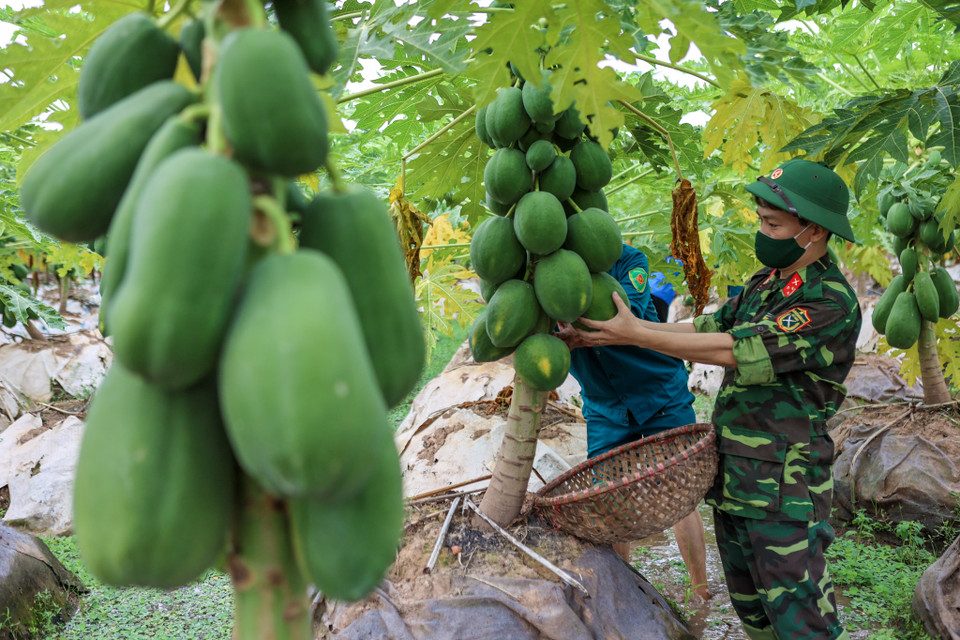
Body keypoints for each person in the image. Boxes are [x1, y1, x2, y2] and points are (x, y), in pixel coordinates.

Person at [575, 159, 860, 640]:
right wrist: (619, 334)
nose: (763, 231)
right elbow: (707, 327)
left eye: (774, 223)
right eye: (761, 219)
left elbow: (734, 349)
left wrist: (637, 334)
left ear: (813, 230)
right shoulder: (769, 280)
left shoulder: (828, 300)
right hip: (736, 478)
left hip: (783, 490)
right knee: (756, 616)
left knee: (801, 620)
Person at [554, 242, 712, 601]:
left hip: (659, 391)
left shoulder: (628, 259)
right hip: (605, 405)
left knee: (679, 492)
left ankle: (701, 590)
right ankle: (628, 591)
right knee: (612, 503)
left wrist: (574, 328)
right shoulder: (547, 275)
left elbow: (632, 312)